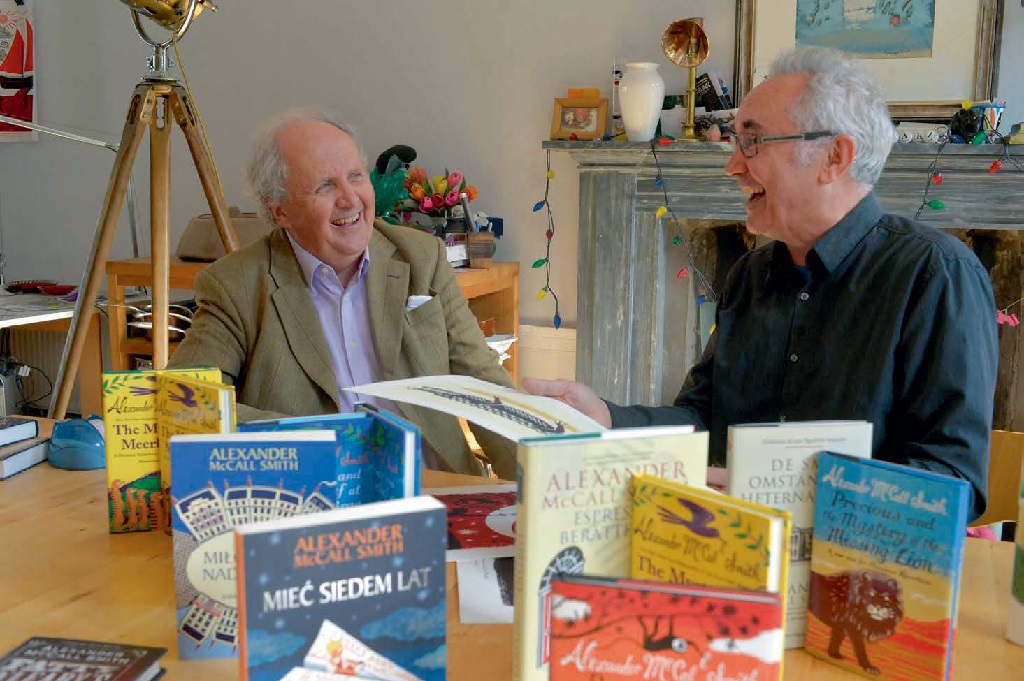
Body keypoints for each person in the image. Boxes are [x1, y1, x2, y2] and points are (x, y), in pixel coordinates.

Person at [524, 46, 998, 520]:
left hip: (859, 573)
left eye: (752, 143)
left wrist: (786, 491)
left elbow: (951, 483)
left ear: (834, 156)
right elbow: (703, 419)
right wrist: (608, 420)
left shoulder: (935, 275)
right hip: (737, 551)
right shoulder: (750, 275)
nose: (732, 166)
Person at [167, 108, 517, 478]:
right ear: (281, 212)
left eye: (355, 177)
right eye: (325, 186)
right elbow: (187, 406)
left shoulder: (421, 257)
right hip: (323, 495)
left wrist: (541, 486)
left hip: (437, 487)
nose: (351, 200)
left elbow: (482, 383)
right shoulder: (236, 284)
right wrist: (324, 444)